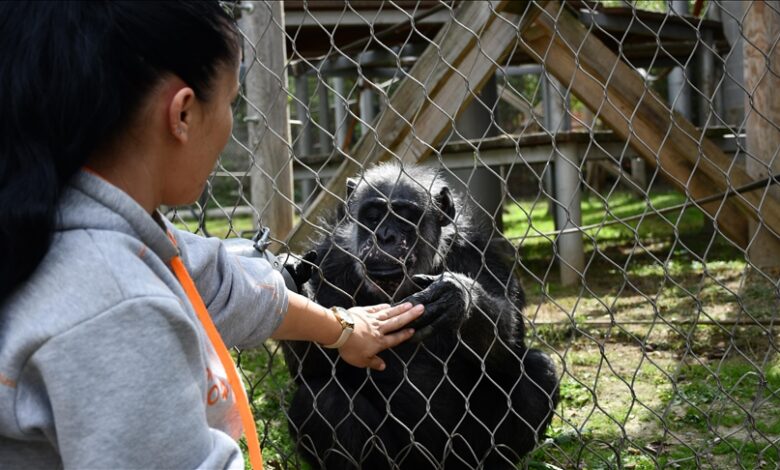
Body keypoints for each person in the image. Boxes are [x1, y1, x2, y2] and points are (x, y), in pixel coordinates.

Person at [0, 2, 423, 469]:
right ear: (182, 112)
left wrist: (343, 330)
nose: (228, 123)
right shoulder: (121, 306)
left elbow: (223, 285)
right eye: (230, 103)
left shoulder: (60, 219)